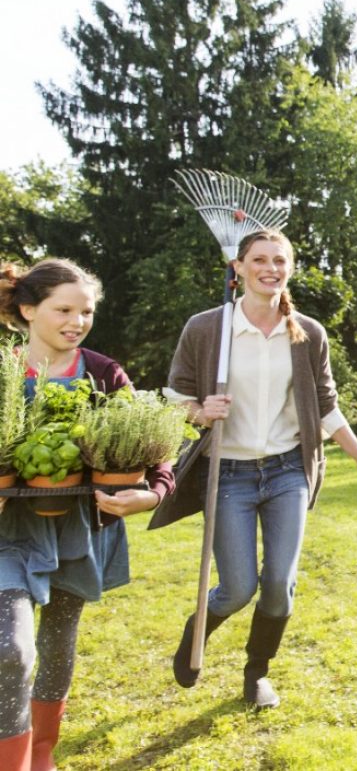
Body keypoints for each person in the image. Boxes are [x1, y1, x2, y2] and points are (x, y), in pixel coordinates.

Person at [152, 229, 357, 710]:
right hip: (229, 474)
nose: (271, 268)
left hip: (288, 470)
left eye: (280, 260)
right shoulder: (207, 329)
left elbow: (327, 408)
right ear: (239, 267)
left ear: (290, 268)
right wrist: (201, 410)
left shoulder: (307, 333)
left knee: (280, 589)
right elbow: (176, 397)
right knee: (238, 588)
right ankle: (198, 626)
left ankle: (257, 672)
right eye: (260, 259)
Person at [0, 259, 174, 771]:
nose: (77, 321)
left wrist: (155, 492)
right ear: (28, 310)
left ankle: (43, 755)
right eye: (64, 309)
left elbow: (155, 441)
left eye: (87, 311)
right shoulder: (5, 372)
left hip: (80, 529)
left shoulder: (102, 372)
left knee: (57, 645)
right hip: (10, 531)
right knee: (11, 650)